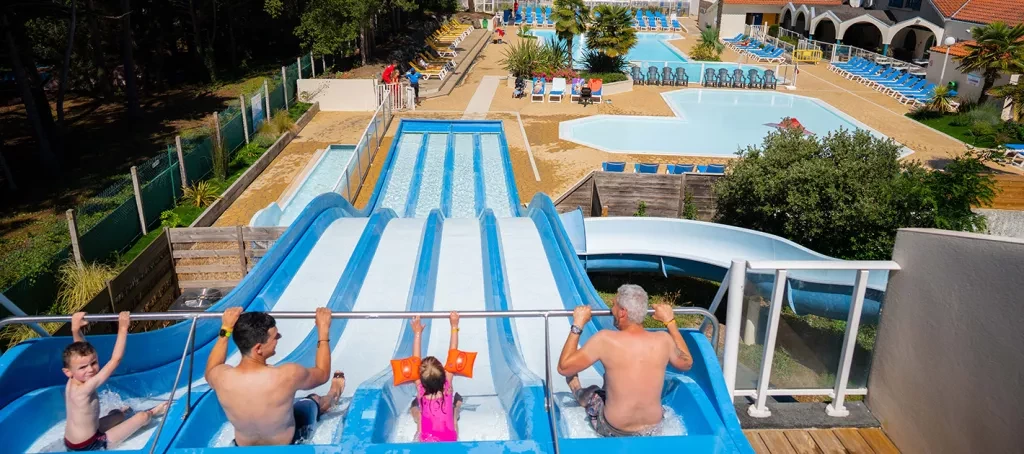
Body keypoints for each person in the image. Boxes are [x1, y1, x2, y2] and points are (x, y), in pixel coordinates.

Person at [556, 285, 694, 437]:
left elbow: (564, 367)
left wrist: (578, 324)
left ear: (622, 312)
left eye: (613, 305)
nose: (611, 310)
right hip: (653, 429)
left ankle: (577, 389)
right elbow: (687, 363)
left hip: (614, 429)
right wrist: (670, 322)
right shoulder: (663, 340)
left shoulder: (605, 340)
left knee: (594, 393)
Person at [205, 307, 346, 446]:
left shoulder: (220, 377)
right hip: (289, 444)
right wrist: (323, 330)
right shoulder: (287, 375)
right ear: (258, 348)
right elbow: (322, 373)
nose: (279, 337)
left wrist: (226, 328)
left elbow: (211, 368)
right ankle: (334, 393)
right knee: (312, 400)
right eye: (275, 336)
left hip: (241, 447)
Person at [63, 312, 169, 451]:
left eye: (94, 363)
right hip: (89, 445)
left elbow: (81, 352)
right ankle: (154, 412)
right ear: (68, 372)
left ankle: (121, 415)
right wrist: (123, 328)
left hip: (77, 438)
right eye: (83, 367)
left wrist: (75, 330)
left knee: (118, 415)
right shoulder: (85, 388)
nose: (90, 369)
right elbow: (115, 360)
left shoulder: (73, 378)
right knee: (142, 416)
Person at [407, 311, 464, 442]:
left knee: (418, 416)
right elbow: (453, 352)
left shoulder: (420, 389)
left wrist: (417, 332)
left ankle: (413, 408)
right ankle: (457, 407)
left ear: (421, 378)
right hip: (450, 438)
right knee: (453, 420)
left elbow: (415, 360)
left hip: (426, 440)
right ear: (443, 373)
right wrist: (454, 325)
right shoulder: (447, 387)